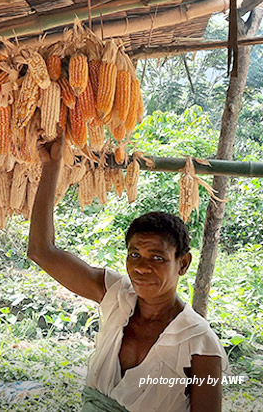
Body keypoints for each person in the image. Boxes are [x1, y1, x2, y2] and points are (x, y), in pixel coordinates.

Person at [27, 134, 229, 412]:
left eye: (157, 258)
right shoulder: (117, 295)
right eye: (134, 255)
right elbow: (42, 252)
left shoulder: (199, 343)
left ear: (183, 264)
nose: (141, 267)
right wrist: (51, 167)